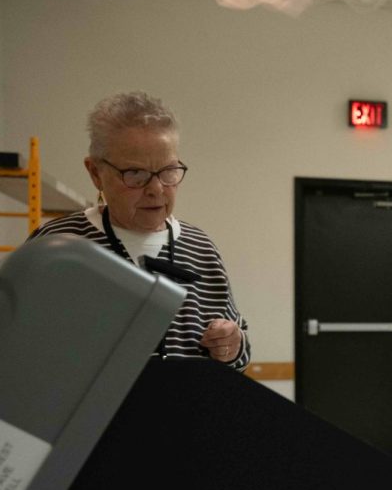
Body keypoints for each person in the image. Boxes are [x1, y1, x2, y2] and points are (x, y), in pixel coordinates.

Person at [30, 92, 249, 368]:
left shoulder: (201, 248)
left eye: (169, 171)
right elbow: (14, 349)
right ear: (95, 173)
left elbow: (239, 356)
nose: (156, 190)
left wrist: (233, 345)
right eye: (135, 174)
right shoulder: (59, 247)